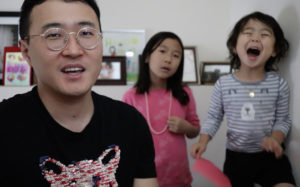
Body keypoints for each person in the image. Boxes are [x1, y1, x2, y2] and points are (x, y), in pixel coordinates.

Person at [0, 0, 158, 186]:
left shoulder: (131, 124)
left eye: (86, 33)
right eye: (54, 35)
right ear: (26, 51)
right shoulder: (5, 126)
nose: (74, 50)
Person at [191, 11, 296, 187]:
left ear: (275, 50)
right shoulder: (223, 84)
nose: (255, 38)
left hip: (271, 156)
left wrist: (276, 139)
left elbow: (283, 120)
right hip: (236, 159)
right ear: (234, 46)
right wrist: (203, 141)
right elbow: (214, 117)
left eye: (264, 34)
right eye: (248, 33)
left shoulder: (279, 84)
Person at [123, 31, 200, 187]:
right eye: (162, 51)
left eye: (176, 55)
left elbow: (195, 130)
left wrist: (187, 127)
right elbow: (124, 139)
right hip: (143, 177)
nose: (168, 59)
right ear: (147, 57)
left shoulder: (184, 94)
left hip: (178, 176)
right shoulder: (131, 97)